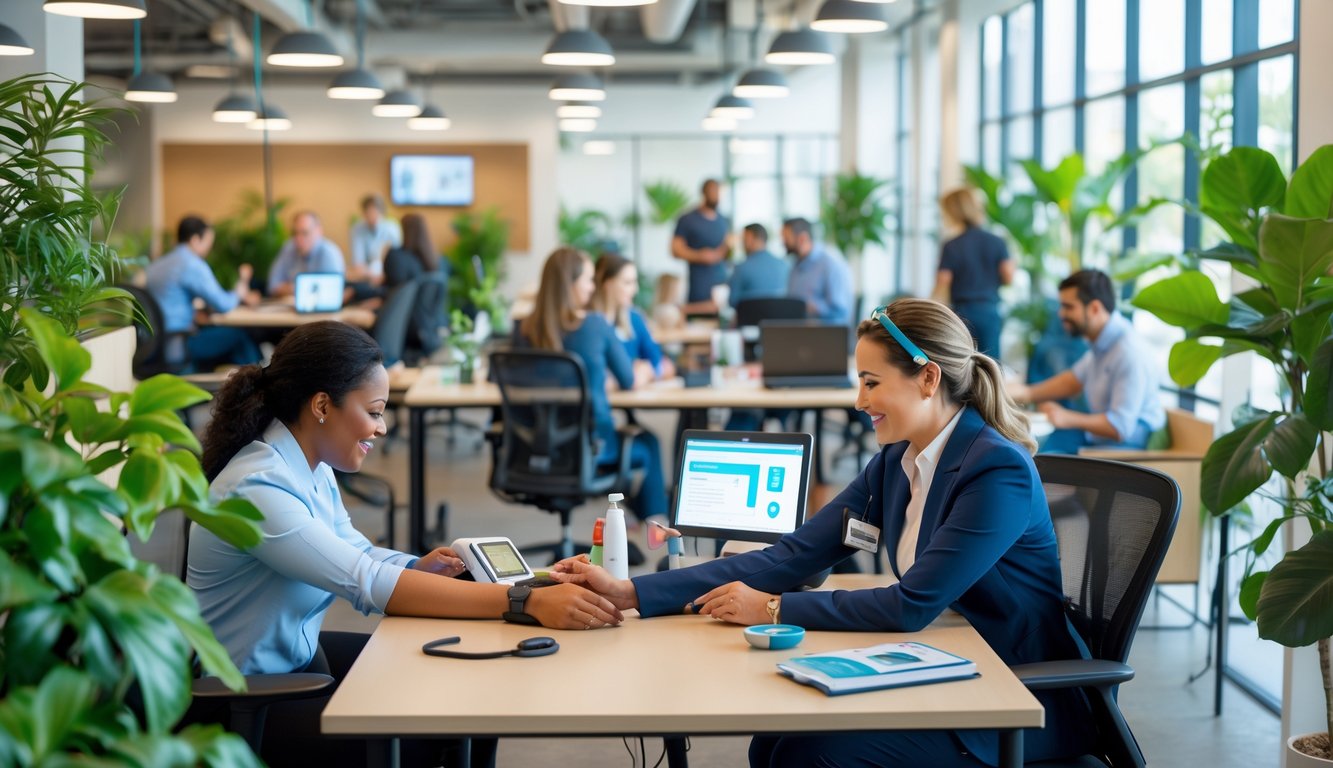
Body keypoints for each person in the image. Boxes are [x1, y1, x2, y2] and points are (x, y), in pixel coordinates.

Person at [553, 299, 1094, 766]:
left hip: (1009, 695)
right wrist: (634, 593)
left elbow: (909, 606)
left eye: (871, 383)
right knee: (774, 740)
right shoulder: (896, 464)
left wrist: (770, 609)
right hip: (942, 663)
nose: (858, 402)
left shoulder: (994, 471)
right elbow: (792, 556)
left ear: (928, 378)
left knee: (809, 753)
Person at [190, 321, 622, 767]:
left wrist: (419, 567)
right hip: (240, 704)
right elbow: (366, 581)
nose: (381, 428)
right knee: (440, 725)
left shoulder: (305, 464)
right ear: (322, 405)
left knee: (467, 690)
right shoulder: (258, 488)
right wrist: (523, 601)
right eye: (374, 411)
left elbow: (357, 551)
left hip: (291, 664)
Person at [515, 248, 668, 524]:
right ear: (570, 284)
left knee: (644, 441)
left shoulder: (523, 329)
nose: (592, 286)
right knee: (648, 442)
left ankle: (641, 523)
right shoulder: (595, 325)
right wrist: (645, 370)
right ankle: (654, 529)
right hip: (592, 447)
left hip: (534, 449)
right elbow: (629, 380)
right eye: (587, 279)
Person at [1008, 270, 1166, 454]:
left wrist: (1066, 417)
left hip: (1129, 449)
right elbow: (1073, 380)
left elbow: (1120, 427)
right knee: (1030, 446)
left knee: (1042, 456)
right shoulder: (1101, 343)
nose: (1061, 314)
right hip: (1098, 437)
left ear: (1095, 309)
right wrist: (1027, 393)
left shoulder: (1128, 353)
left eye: (1068, 307)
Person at [144, 215, 261, 371]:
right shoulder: (192, 264)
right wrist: (239, 292)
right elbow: (223, 304)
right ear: (194, 240)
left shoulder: (156, 265)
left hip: (153, 345)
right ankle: (259, 388)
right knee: (240, 338)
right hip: (180, 343)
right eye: (207, 242)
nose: (208, 249)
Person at [932, 188, 1015, 359]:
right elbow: (1008, 276)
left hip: (962, 312)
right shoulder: (997, 241)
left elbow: (943, 282)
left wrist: (929, 308)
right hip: (989, 310)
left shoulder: (952, 245)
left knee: (963, 364)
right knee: (991, 364)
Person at [591, 252, 676, 380]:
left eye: (634, 282)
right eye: (627, 283)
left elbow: (657, 361)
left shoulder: (634, 319)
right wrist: (633, 371)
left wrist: (649, 371)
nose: (635, 289)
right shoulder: (589, 324)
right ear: (607, 284)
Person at [671, 178, 734, 305]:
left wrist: (723, 252)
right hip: (698, 283)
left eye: (718, 192)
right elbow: (675, 249)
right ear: (704, 193)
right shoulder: (687, 219)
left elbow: (727, 247)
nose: (716, 195)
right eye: (713, 191)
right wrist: (699, 256)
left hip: (721, 282)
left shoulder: (724, 220)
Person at [783, 217, 852, 324]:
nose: (783, 243)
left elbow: (841, 312)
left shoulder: (830, 264)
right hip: (798, 331)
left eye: (786, 238)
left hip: (825, 333)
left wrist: (814, 308)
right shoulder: (794, 266)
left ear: (802, 238)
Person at [268, 211, 346, 297]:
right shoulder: (289, 248)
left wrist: (292, 288)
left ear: (319, 231)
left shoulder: (329, 253)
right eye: (295, 233)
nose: (299, 238)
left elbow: (332, 293)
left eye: (305, 233)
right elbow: (273, 286)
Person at [727, 223, 791, 308]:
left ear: (751, 239)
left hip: (749, 320)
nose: (742, 243)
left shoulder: (742, 268)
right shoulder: (784, 265)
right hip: (778, 320)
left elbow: (732, 301)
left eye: (744, 239)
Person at [348, 193, 402, 286]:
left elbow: (396, 261)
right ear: (364, 214)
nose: (372, 216)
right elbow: (358, 264)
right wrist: (370, 274)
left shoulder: (392, 229)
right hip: (365, 276)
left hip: (387, 275)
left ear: (382, 213)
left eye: (375, 212)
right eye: (368, 213)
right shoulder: (357, 229)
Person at [383, 213, 443, 287]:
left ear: (403, 231)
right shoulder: (432, 260)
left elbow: (393, 289)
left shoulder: (396, 256)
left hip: (391, 297)